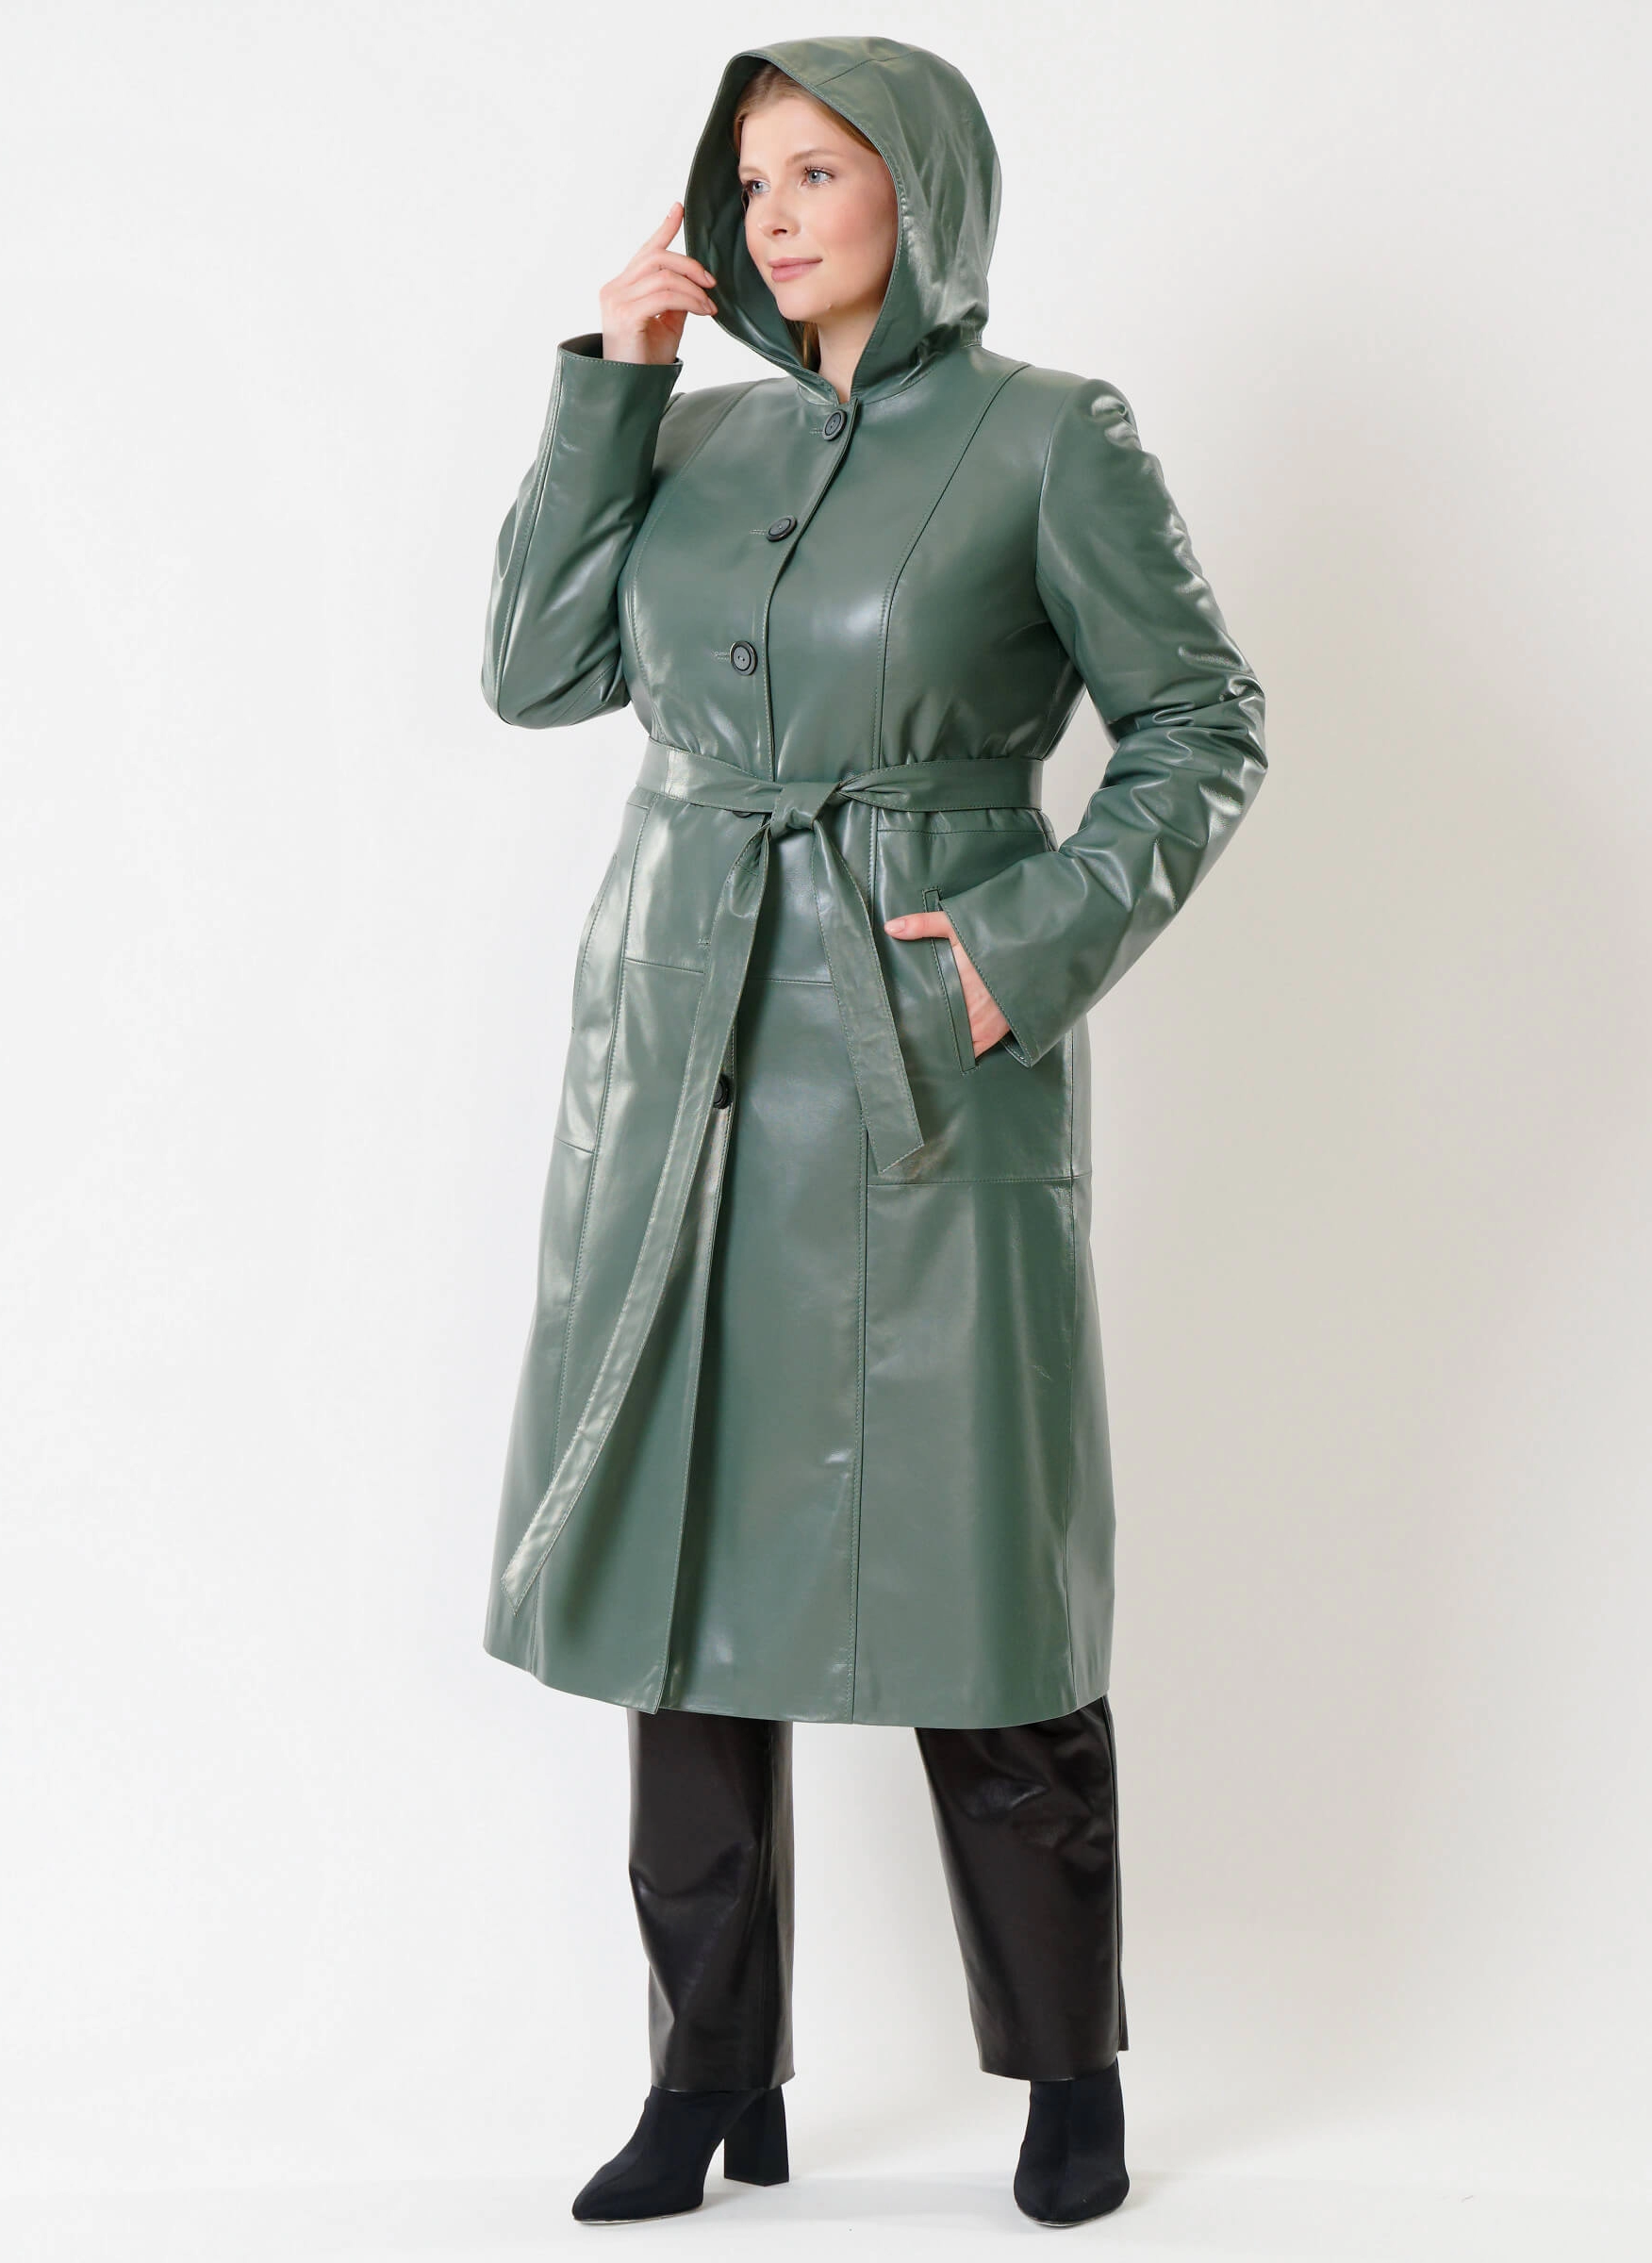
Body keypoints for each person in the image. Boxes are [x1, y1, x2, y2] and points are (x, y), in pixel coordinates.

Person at [477, 34, 1266, 2229]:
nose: (776, 212)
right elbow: (532, 673)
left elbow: (1202, 722)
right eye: (751, 180)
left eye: (822, 170)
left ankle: (1070, 2084)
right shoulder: (690, 436)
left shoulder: (1050, 437)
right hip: (681, 1045)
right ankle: (703, 2080)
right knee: (673, 1584)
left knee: (977, 1580)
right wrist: (611, 386)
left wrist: (1024, 945)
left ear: (926, 191)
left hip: (918, 1057)